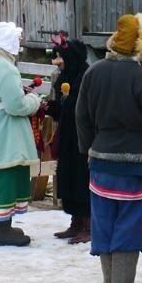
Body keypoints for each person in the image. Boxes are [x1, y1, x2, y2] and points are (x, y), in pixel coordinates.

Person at [76, 13, 142, 283]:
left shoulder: (93, 72)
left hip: (100, 159)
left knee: (104, 221)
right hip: (132, 162)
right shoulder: (141, 77)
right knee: (130, 222)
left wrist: (88, 151)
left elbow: (81, 116)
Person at [0, 21, 43, 247]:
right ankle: (1, 231)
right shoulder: (6, 68)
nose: (19, 43)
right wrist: (34, 100)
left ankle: (2, 226)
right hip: (6, 130)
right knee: (5, 173)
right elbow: (16, 106)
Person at [45, 32, 91, 244]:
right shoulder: (64, 78)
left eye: (60, 57)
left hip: (83, 135)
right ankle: (76, 221)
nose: (57, 62)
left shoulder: (85, 76)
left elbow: (83, 108)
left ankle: (89, 224)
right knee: (68, 175)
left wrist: (66, 103)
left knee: (82, 177)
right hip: (67, 134)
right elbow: (62, 108)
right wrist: (49, 107)